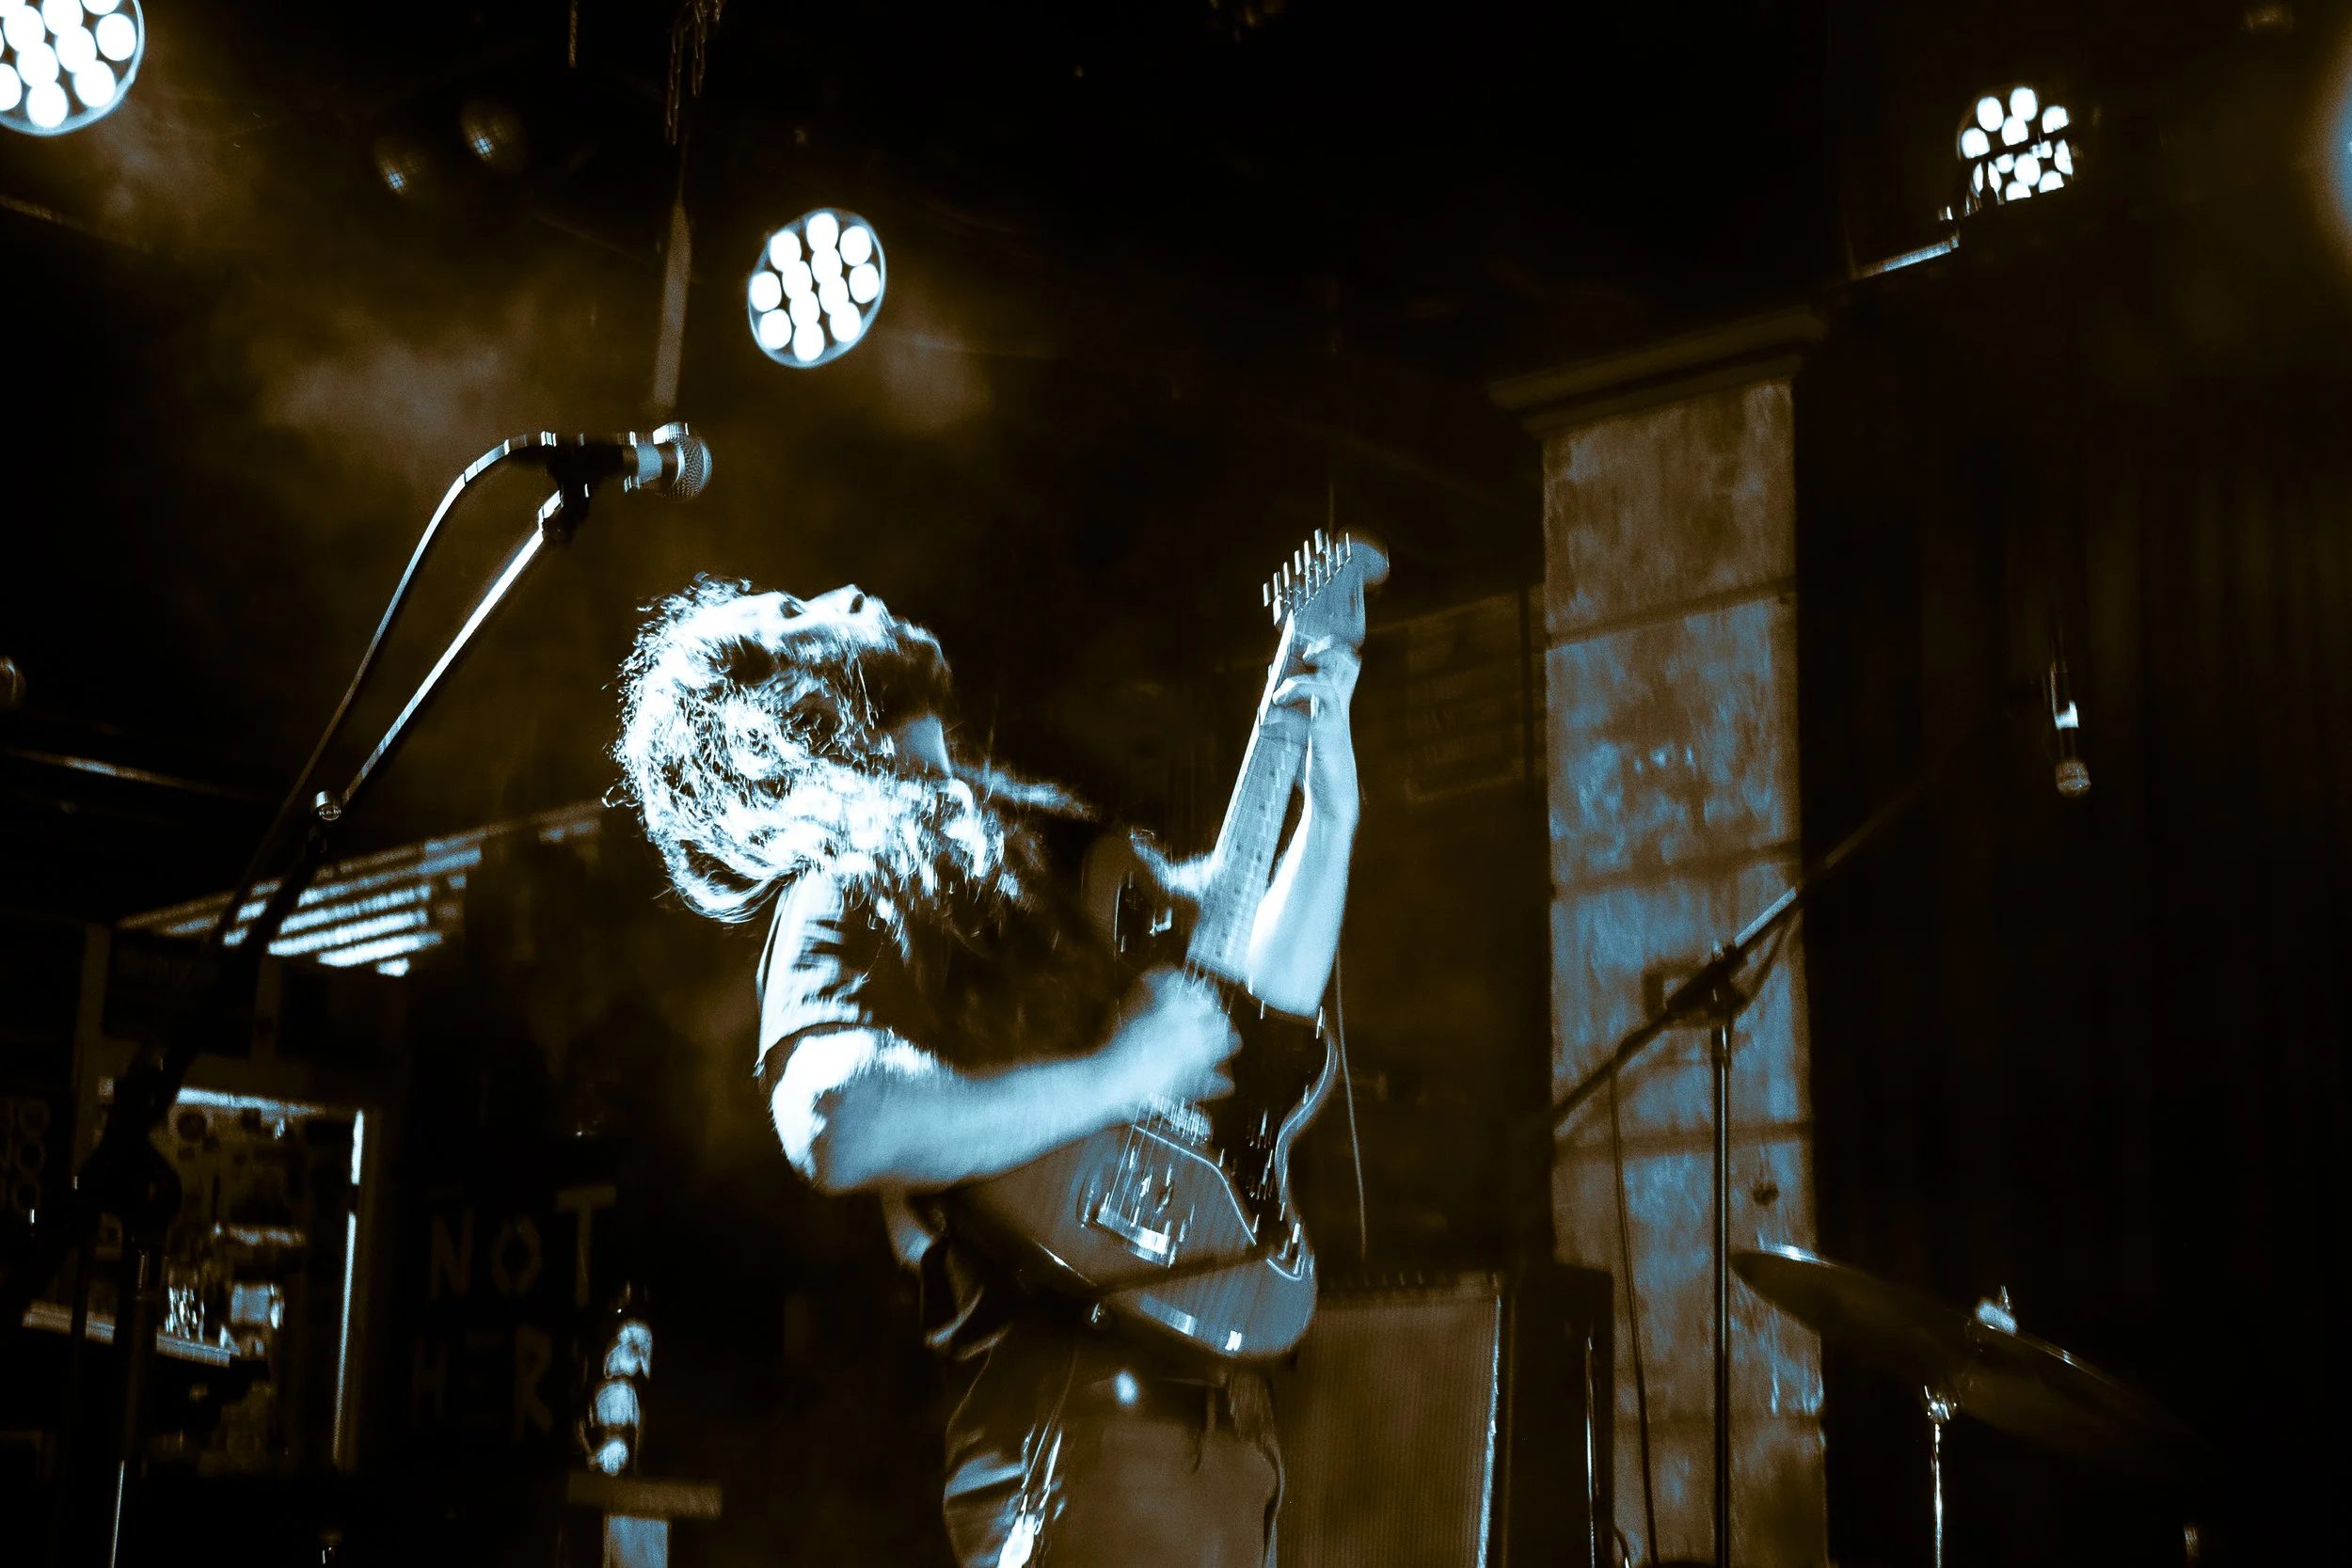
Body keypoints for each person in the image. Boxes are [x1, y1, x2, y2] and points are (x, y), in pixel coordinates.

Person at [612, 578, 1359, 1568]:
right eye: (796, 614)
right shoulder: (845, 877)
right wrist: (1120, 1071)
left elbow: (1241, 1003)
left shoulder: (1030, 837)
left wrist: (1330, 816)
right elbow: (837, 1118)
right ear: (774, 709)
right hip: (1076, 1429)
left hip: (1226, 1426)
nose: (848, 592)